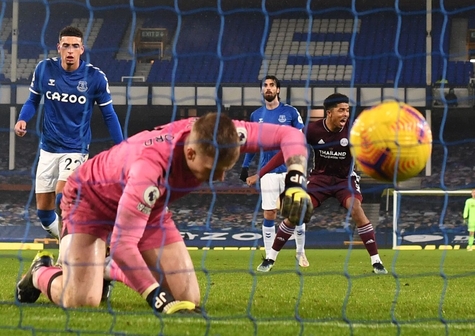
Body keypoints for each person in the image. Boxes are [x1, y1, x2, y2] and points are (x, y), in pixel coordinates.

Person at [15, 113, 309, 313]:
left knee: (188, 300)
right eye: (212, 170)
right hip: (90, 201)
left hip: (148, 206)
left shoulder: (222, 135)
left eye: (224, 170)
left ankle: (103, 270)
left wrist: (296, 182)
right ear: (190, 154)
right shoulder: (151, 167)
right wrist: (153, 295)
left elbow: (290, 134)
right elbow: (121, 243)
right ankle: (40, 271)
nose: (219, 178)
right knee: (81, 301)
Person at [14, 26, 124, 240]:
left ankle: (76, 251)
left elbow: (109, 115)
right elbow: (33, 100)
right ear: (59, 48)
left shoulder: (95, 77)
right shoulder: (44, 69)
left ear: (82, 49)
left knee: (62, 198)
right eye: (66, 46)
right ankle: (72, 243)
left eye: (75, 46)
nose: (70, 50)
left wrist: (122, 146)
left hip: (76, 149)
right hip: (48, 149)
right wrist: (22, 119)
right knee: (44, 214)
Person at [258, 93, 388, 274]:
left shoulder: (354, 131)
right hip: (320, 179)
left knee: (356, 207)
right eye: (341, 110)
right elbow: (287, 150)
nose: (345, 114)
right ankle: (270, 258)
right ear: (329, 113)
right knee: (297, 211)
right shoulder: (312, 130)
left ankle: (377, 262)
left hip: (345, 180)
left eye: (347, 110)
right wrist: (262, 171)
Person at [239, 76, 308, 270]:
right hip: (267, 171)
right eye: (265, 86)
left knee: (298, 213)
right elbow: (252, 144)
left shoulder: (291, 112)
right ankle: (270, 256)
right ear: (262, 90)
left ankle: (300, 252)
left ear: (278, 89)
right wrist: (245, 166)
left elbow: (300, 139)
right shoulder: (255, 116)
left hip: (291, 169)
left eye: (272, 85)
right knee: (269, 213)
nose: (268, 88)